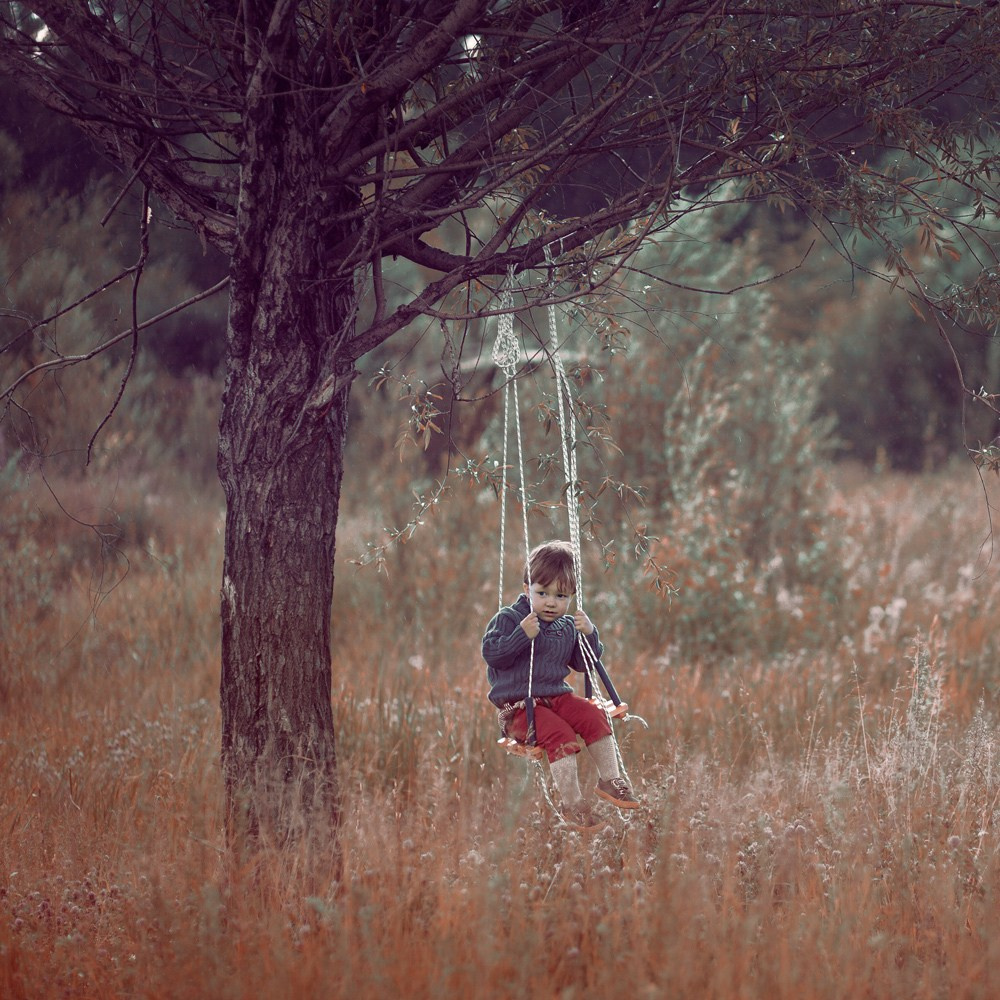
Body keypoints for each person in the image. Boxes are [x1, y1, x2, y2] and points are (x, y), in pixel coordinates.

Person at [482, 540, 639, 826]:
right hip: (519, 709)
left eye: (561, 595)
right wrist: (520, 635)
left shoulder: (566, 626)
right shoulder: (510, 619)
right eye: (543, 593)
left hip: (557, 699)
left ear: (572, 596)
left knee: (594, 714)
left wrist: (590, 633)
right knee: (560, 735)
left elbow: (582, 663)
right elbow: (493, 655)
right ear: (526, 587)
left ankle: (611, 780)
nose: (552, 602)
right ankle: (574, 806)